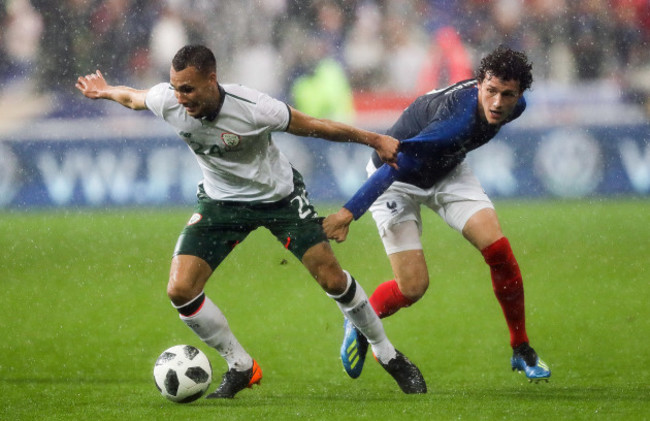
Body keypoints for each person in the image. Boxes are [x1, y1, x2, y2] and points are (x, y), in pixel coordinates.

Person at [75, 44, 427, 398]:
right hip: (221, 202)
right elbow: (134, 97)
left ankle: (388, 355)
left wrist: (375, 138)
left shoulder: (254, 107)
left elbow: (316, 126)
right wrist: (104, 91)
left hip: (279, 199)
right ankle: (241, 366)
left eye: (188, 89)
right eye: (176, 87)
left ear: (212, 79)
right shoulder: (167, 100)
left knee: (333, 280)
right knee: (180, 291)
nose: (180, 97)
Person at [323, 46, 551, 383]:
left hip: (447, 170)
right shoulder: (454, 122)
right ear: (479, 84)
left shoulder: (514, 108)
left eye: (508, 94)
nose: (498, 103)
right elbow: (395, 164)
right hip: (396, 178)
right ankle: (360, 318)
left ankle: (521, 349)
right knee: (413, 287)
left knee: (499, 251)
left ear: (519, 95)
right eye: (491, 91)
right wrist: (348, 212)